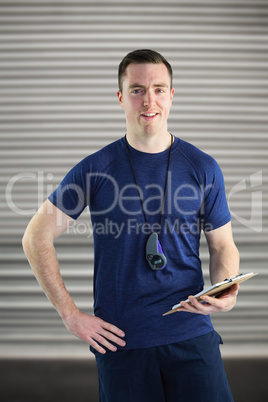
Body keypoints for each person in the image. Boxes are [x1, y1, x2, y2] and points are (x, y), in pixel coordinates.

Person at [23, 49, 240, 401]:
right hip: (122, 343)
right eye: (137, 89)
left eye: (158, 88)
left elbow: (222, 245)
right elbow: (36, 237)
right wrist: (70, 314)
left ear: (171, 95)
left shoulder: (202, 166)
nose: (148, 100)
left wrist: (225, 289)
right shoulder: (97, 168)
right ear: (121, 98)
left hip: (191, 335)